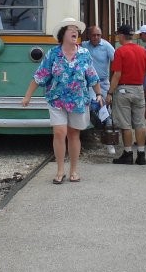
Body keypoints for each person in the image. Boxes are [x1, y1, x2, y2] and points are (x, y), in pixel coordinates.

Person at [22, 17, 102, 184]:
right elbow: (40, 75)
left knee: (74, 134)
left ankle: (73, 170)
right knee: (59, 132)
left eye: (76, 30)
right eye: (71, 29)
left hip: (78, 100)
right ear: (62, 34)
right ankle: (59, 170)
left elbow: (92, 75)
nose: (75, 32)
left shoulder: (84, 54)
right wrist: (28, 95)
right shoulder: (53, 54)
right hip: (56, 99)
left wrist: (99, 94)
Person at [107, 23, 146, 165]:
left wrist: (110, 92)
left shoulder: (120, 51)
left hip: (123, 90)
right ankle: (141, 154)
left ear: (121, 35)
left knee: (125, 124)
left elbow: (117, 75)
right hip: (139, 89)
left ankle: (128, 153)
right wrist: (138, 73)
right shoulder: (142, 51)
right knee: (140, 123)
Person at [82, 25, 116, 154]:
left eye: (98, 35)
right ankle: (96, 129)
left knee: (106, 111)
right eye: (93, 35)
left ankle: (109, 141)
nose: (96, 37)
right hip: (89, 84)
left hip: (103, 83)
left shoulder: (106, 46)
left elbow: (116, 61)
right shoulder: (84, 46)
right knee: (92, 106)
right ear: (89, 36)